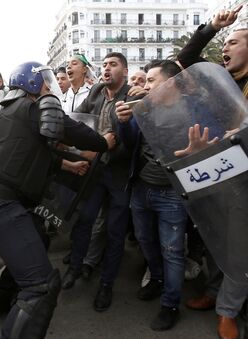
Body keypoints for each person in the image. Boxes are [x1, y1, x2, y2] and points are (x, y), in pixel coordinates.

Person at [0, 61, 114, 338]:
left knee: (38, 240)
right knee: (42, 285)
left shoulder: (8, 110)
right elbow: (72, 130)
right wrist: (103, 142)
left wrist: (67, 165)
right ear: (33, 83)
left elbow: (32, 155)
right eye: (46, 82)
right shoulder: (36, 107)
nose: (51, 87)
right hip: (2, 204)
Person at [175, 5, 248, 338]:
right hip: (218, 173)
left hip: (245, 178)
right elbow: (185, 62)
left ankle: (228, 311)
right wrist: (212, 29)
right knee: (215, 237)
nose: (227, 48)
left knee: (238, 245)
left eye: (234, 41)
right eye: (226, 42)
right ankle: (215, 292)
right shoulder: (220, 80)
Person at [62, 52, 138, 313]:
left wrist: (105, 148)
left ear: (125, 71)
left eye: (113, 65)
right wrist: (74, 143)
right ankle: (73, 268)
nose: (107, 69)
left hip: (118, 174)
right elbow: (78, 121)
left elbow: (131, 142)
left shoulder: (133, 95)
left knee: (115, 232)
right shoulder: (95, 91)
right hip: (95, 171)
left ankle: (106, 284)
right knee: (85, 219)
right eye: (104, 65)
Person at [116, 60, 187, 331]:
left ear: (170, 82)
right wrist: (124, 122)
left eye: (151, 80)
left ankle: (170, 305)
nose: (145, 86)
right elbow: (130, 141)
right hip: (141, 189)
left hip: (172, 194)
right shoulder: (144, 109)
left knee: (172, 251)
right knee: (145, 241)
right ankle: (156, 279)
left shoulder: (191, 110)